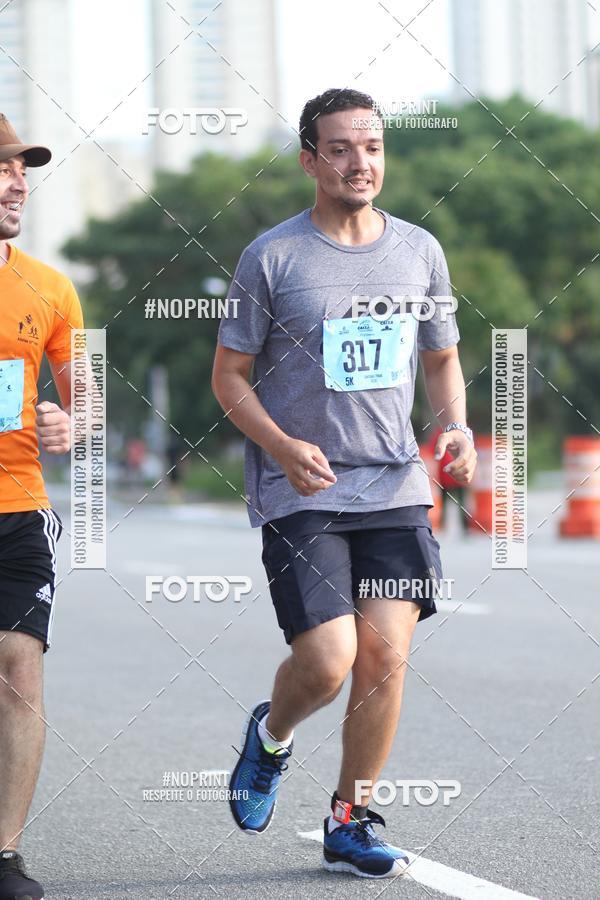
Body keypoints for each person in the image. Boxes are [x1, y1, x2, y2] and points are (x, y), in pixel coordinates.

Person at [211, 88, 477, 879]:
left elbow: (440, 360)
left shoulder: (420, 251)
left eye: (373, 147)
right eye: (341, 149)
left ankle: (350, 819)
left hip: (393, 486)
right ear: (310, 160)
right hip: (303, 491)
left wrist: (455, 424)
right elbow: (229, 377)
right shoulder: (273, 256)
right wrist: (283, 446)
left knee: (385, 657)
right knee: (328, 662)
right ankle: (271, 738)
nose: (361, 162)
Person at [0, 113, 83, 900]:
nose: (16, 180)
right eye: (0, 167)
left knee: (19, 670)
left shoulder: (51, 289)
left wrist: (69, 421)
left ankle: (3, 854)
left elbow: (86, 402)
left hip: (18, 507)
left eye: (22, 168)